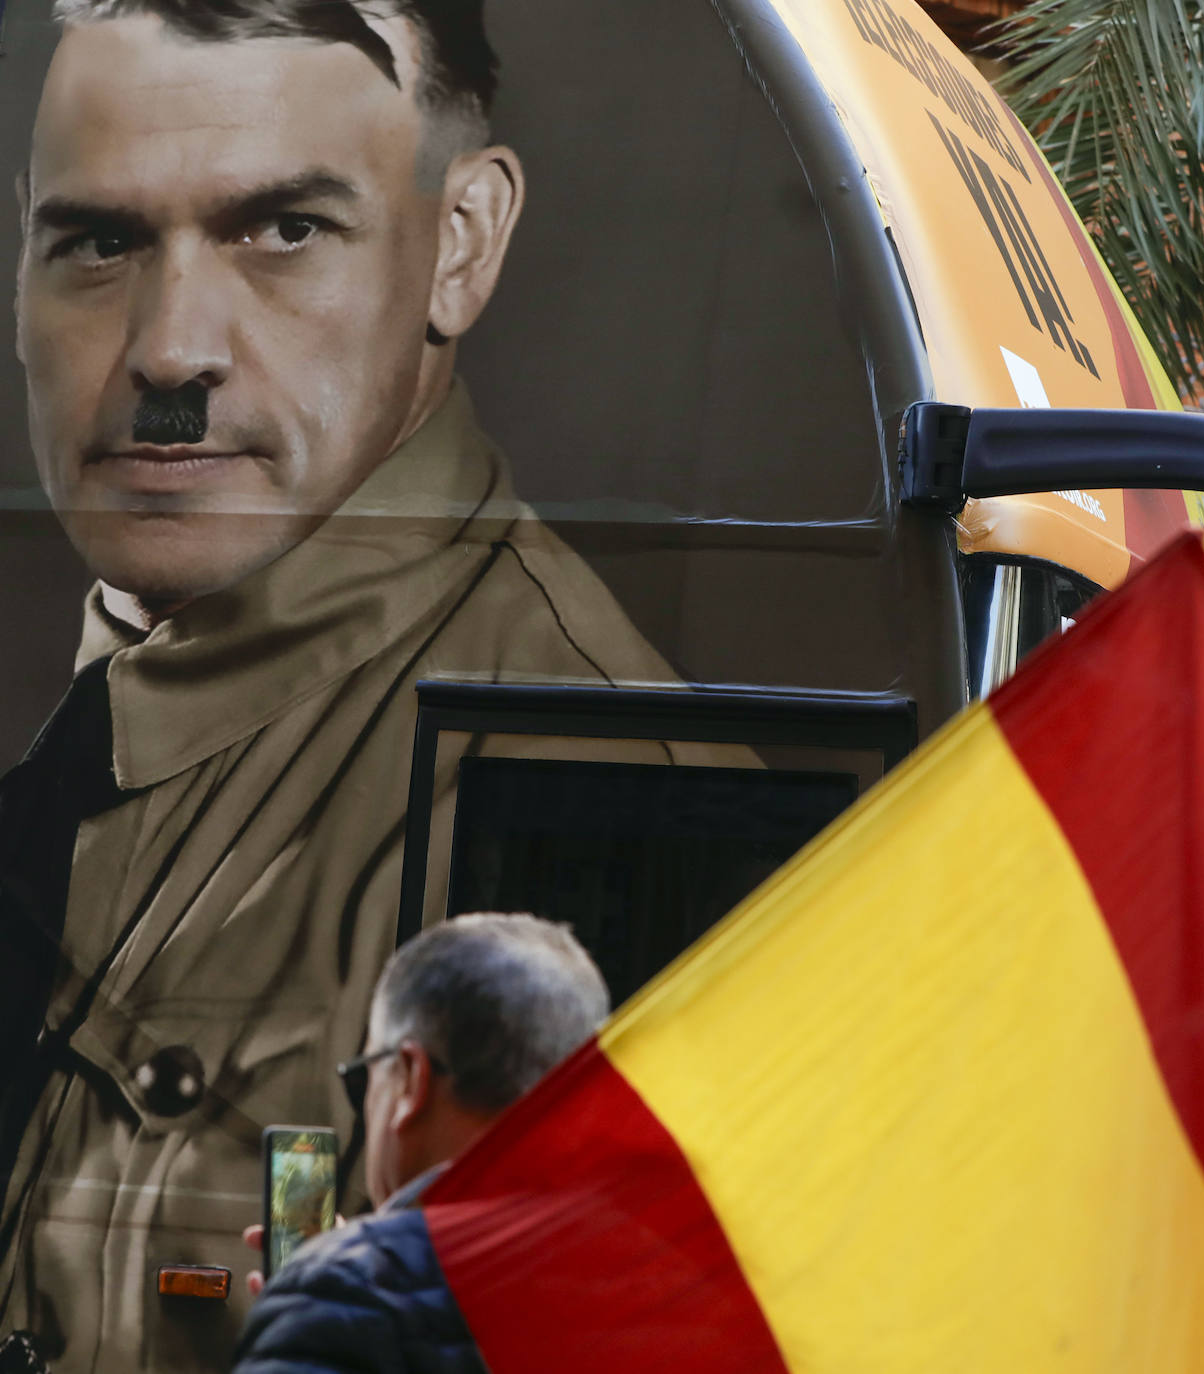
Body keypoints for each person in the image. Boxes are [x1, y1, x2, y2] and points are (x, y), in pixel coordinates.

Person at [0, 2, 720, 1370]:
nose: (169, 351)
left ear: (462, 244)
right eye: (99, 241)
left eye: (282, 230)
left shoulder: (604, 774)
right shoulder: (88, 735)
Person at [233, 912, 609, 1374]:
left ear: (410, 1079)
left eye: (363, 1078)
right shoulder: (669, 1274)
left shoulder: (346, 1297)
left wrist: (339, 1275)